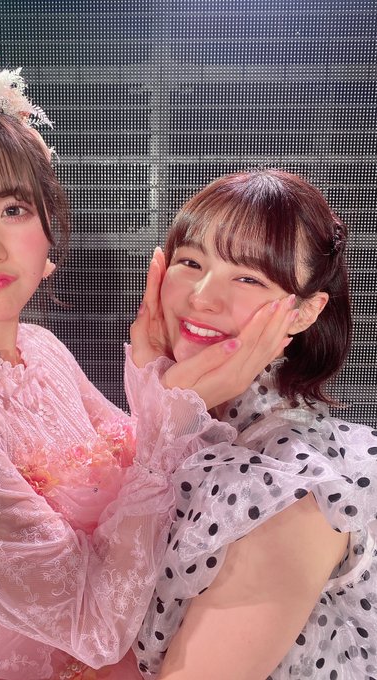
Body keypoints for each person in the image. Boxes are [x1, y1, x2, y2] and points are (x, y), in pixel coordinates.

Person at [0, 4, 295, 680]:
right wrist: (177, 407)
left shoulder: (38, 347)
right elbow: (94, 627)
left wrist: (154, 371)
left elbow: (140, 471)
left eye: (13, 209)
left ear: (48, 228)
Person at [132, 169, 377, 679]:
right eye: (190, 262)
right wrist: (157, 397)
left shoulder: (293, 491)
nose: (202, 296)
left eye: (248, 278)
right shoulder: (187, 422)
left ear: (304, 313)